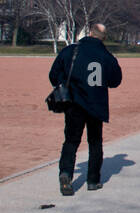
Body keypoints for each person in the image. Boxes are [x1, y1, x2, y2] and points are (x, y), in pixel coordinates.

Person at [48, 22, 122, 196]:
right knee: (95, 142)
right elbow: (116, 81)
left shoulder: (71, 50)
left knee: (71, 141)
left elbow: (53, 74)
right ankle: (93, 180)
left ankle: (66, 173)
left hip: (74, 103)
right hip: (96, 104)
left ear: (89, 33)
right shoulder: (106, 55)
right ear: (103, 38)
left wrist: (65, 82)